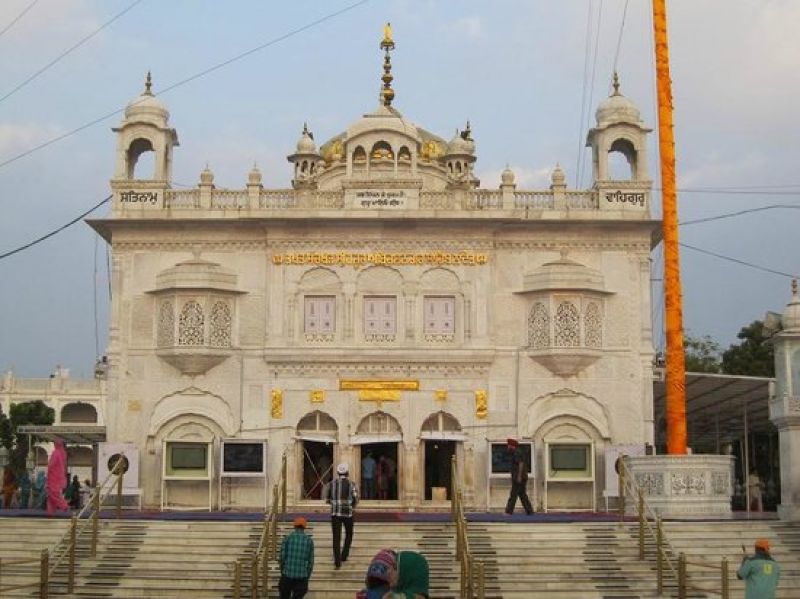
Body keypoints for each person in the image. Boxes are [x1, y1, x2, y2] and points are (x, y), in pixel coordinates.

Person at [325, 462, 358, 569]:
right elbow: (356, 498)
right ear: (347, 472)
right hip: (348, 513)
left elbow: (327, 499)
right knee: (349, 534)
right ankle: (344, 555)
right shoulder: (352, 484)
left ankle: (337, 562)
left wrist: (334, 503)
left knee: (336, 537)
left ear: (338, 472)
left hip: (335, 513)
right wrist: (351, 505)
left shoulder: (331, 484)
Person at [278, 516, 314, 599]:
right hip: (302, 577)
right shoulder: (309, 541)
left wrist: (283, 570)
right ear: (305, 527)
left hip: (287, 574)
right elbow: (311, 562)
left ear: (294, 526)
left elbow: (282, 557)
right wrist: (307, 575)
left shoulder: (287, 538)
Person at [504, 438, 533, 515]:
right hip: (521, 477)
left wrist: (519, 476)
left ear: (512, 446)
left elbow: (521, 464)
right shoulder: (517, 452)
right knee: (522, 494)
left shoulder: (517, 452)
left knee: (513, 494)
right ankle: (530, 511)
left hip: (519, 478)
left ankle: (508, 512)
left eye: (508, 445)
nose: (507, 447)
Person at [46, 440, 70, 514]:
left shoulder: (56, 453)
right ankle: (51, 510)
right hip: (60, 476)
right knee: (51, 495)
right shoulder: (63, 453)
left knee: (53, 493)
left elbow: (51, 465)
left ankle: (64, 505)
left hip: (53, 476)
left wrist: (48, 471)